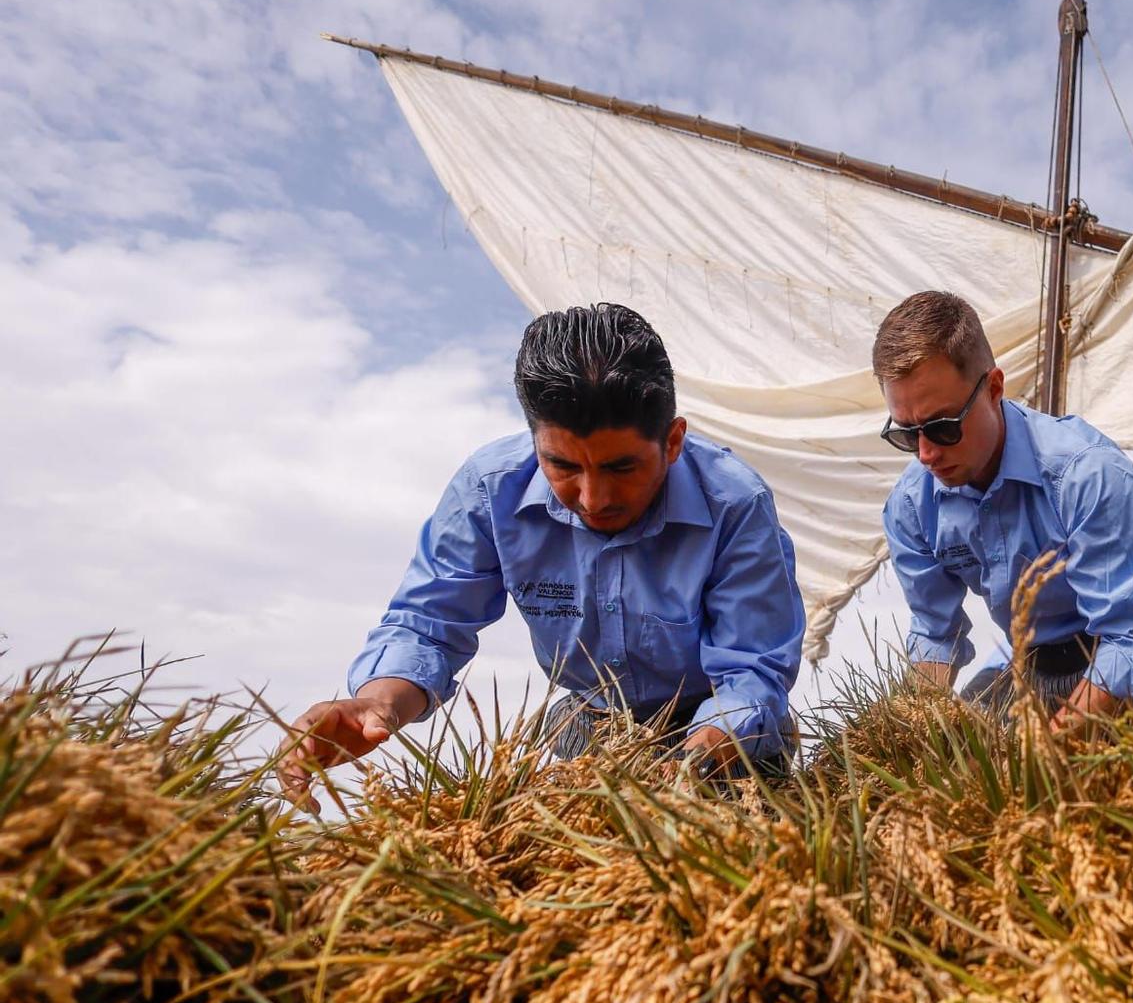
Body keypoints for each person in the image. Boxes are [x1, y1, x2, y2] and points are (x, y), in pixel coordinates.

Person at [280, 303, 806, 809]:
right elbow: (428, 625)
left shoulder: (735, 504)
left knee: (737, 807)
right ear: (535, 443)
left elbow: (751, 671)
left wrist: (693, 761)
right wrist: (378, 704)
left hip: (719, 725)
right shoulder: (489, 490)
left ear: (672, 442)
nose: (593, 499)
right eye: (562, 466)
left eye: (621, 468)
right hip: (593, 717)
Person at [875, 290, 1133, 731]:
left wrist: (1046, 746)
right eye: (908, 435)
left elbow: (1129, 640)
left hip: (1130, 653)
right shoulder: (911, 506)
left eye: (942, 428)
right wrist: (914, 736)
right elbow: (934, 633)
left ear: (994, 389)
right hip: (1030, 661)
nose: (925, 455)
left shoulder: (1088, 473)